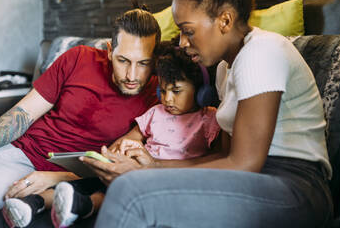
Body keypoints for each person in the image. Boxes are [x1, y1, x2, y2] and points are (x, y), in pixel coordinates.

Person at [78, 0, 333, 227]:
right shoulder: (224, 68)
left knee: (132, 192)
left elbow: (244, 165)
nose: (182, 42)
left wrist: (144, 176)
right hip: (253, 179)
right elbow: (223, 157)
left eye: (188, 30)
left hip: (296, 187)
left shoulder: (261, 52)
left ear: (225, 20)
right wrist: (153, 165)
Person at [0, 1, 161, 227]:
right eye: (123, 60)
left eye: (143, 63)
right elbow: (24, 112)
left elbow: (114, 167)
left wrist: (59, 178)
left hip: (28, 169)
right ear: (110, 51)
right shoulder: (78, 58)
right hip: (12, 144)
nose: (132, 75)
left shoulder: (159, 96)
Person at [48, 40, 221, 228]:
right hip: (138, 172)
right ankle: (41, 202)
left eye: (176, 91)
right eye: (162, 91)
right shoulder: (157, 112)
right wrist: (120, 150)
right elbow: (132, 137)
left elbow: (217, 159)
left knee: (122, 187)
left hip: (172, 178)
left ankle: (83, 205)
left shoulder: (208, 118)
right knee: (100, 180)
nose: (167, 99)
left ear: (201, 92)